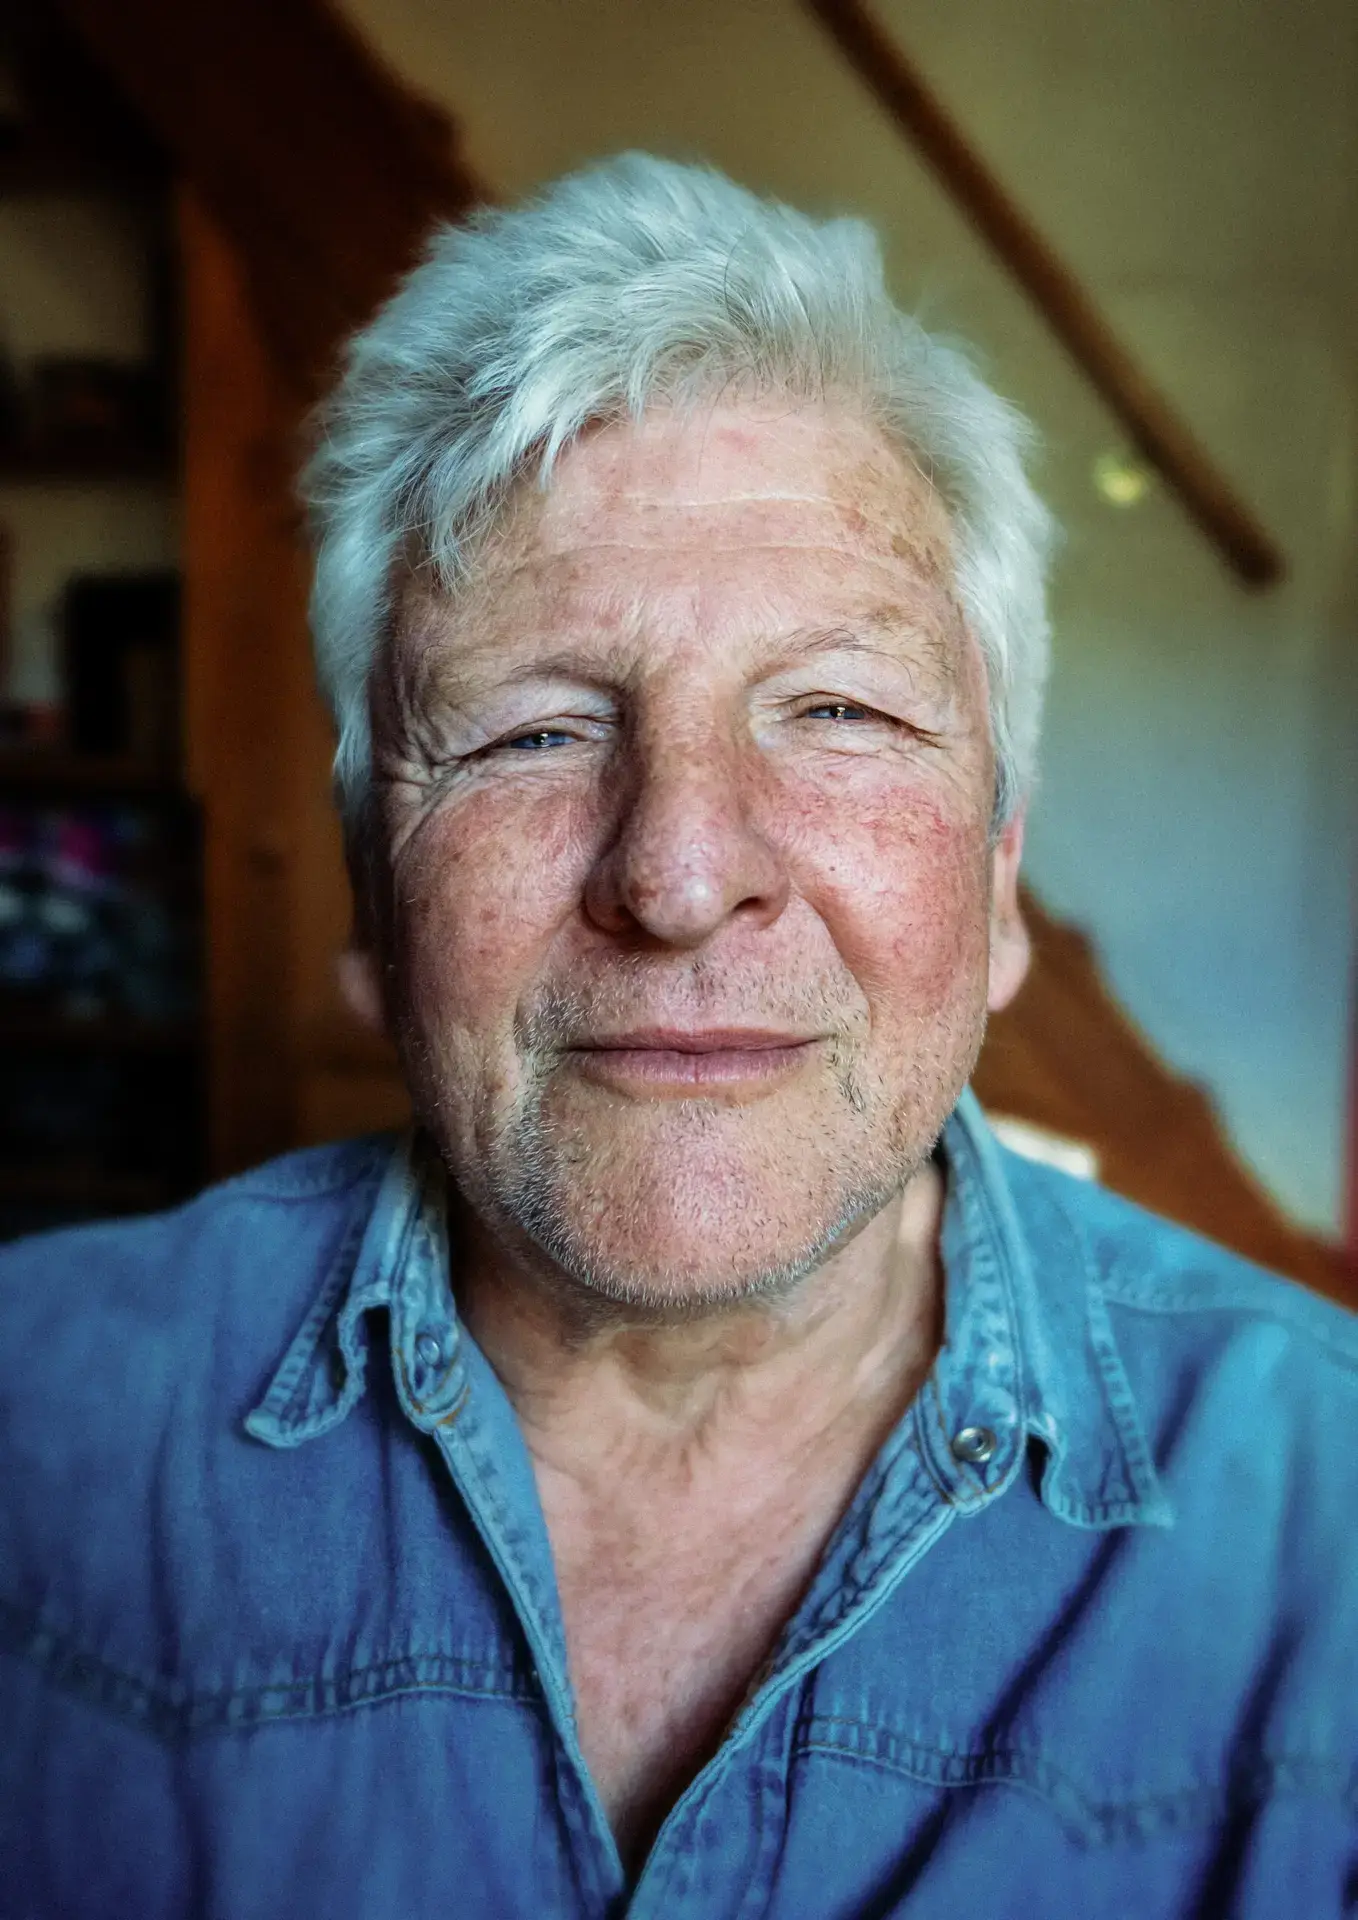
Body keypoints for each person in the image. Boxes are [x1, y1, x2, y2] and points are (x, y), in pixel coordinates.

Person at [1, 154, 1355, 1920]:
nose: (679, 873)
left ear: (1002, 884)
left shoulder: (1329, 1535)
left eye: (840, 711)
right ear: (369, 899)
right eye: (530, 735)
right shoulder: (35, 1443)